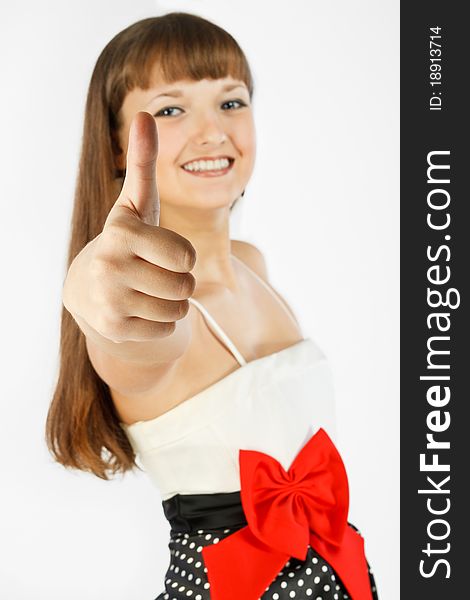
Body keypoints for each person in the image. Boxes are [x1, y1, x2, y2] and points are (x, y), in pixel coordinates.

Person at [46, 12, 379, 600]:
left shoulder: (253, 263)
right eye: (171, 110)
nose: (211, 132)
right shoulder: (156, 309)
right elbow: (134, 341)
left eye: (231, 101)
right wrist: (99, 296)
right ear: (119, 148)